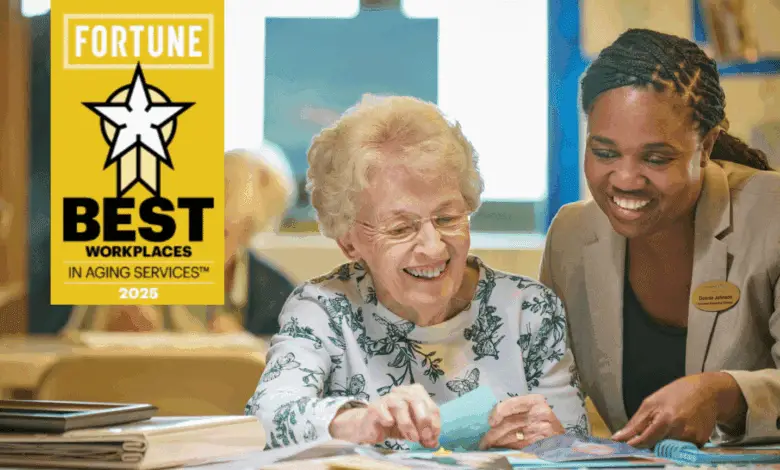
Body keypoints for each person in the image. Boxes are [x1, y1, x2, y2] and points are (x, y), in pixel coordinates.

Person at [245, 95, 588, 451]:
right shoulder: (322, 309)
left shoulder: (528, 310)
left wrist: (556, 443)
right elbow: (266, 418)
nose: (434, 247)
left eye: (448, 218)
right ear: (349, 242)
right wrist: (359, 422)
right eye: (400, 228)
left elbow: (580, 450)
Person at [540, 28, 780, 448]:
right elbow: (543, 385)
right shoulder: (571, 237)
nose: (626, 179)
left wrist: (725, 393)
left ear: (706, 146)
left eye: (655, 158)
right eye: (604, 152)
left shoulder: (771, 214)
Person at [62, 146, 297, 336]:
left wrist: (243, 351)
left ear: (246, 234)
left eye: (222, 233)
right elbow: (69, 352)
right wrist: (110, 331)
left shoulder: (275, 296)